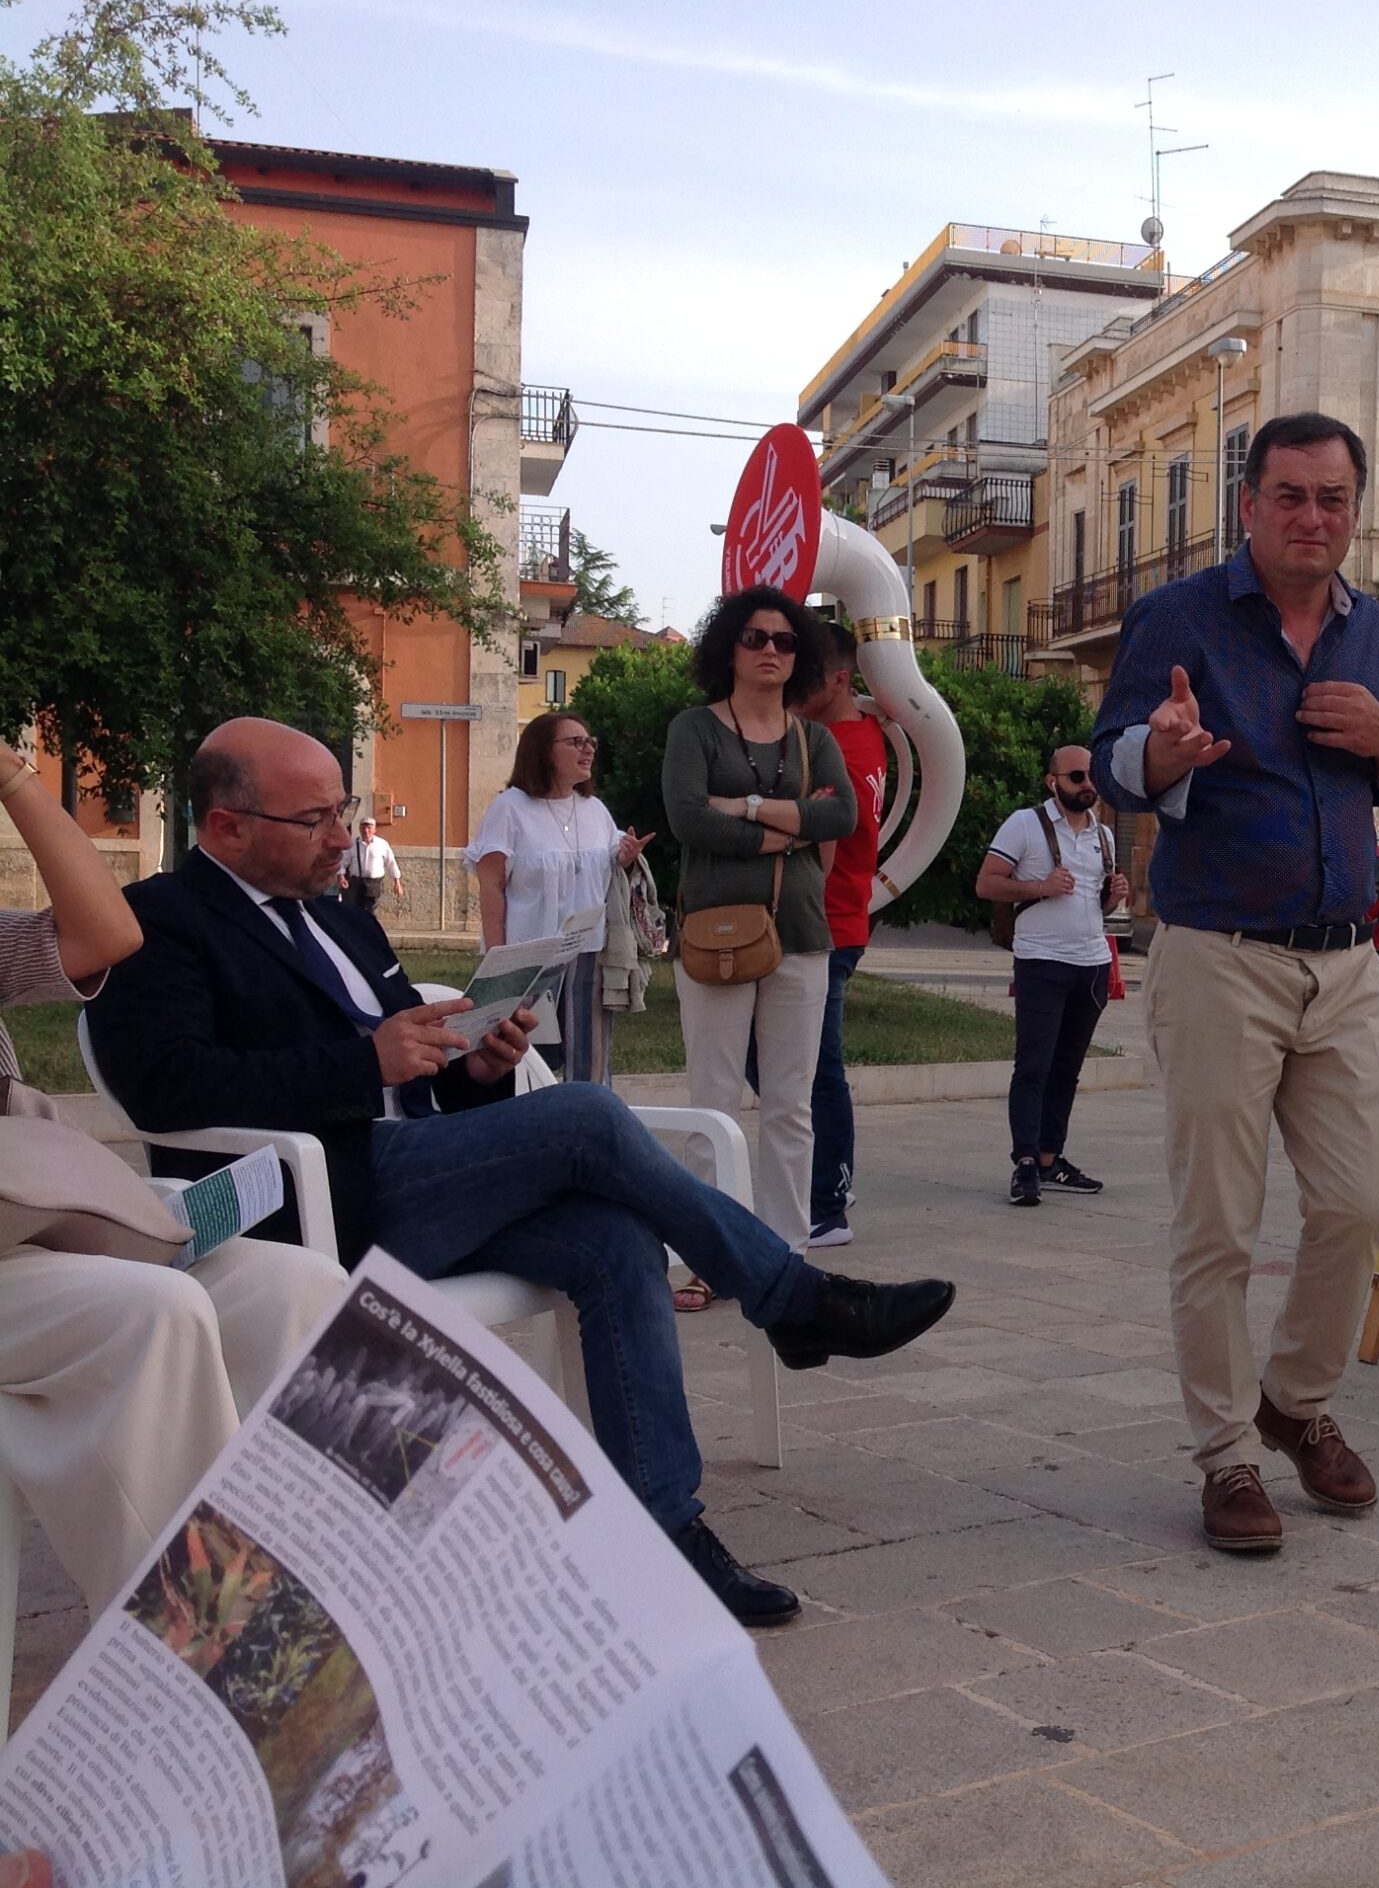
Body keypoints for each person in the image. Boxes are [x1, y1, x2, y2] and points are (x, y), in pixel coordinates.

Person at [85, 718, 956, 1626]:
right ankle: (794, 1301)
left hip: (415, 1178)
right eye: (315, 820)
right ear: (226, 827)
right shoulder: (159, 923)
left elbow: (419, 1075)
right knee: (585, 1114)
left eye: (342, 810)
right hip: (305, 1207)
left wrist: (475, 1068)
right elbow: (166, 1088)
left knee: (617, 1239)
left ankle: (666, 1531)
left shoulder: (344, 919)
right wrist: (362, 1066)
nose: (344, 835)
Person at [1091, 411, 1379, 1554]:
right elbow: (1112, 763)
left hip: (1347, 962)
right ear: (1248, 506)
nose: (1312, 518)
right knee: (1218, 1227)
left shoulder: (1374, 633)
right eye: (1290, 496)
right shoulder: (1177, 619)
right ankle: (1228, 1456)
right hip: (1218, 958)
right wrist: (1163, 750)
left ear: (1353, 509)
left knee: (1358, 1204)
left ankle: (1294, 1400)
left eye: (1332, 498)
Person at [0, 735, 345, 1617]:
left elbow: (106, 932)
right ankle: (217, 1660)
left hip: (32, 1223)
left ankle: (335, 1595)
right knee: (154, 1314)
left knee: (291, 1281)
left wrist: (14, 777)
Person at [662, 586, 856, 1259]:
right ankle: (709, 1255)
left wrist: (740, 809)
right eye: (755, 638)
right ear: (729, 649)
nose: (771, 650)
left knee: (790, 1108)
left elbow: (842, 817)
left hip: (802, 935)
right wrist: (786, 824)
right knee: (712, 1104)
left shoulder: (816, 740)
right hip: (715, 933)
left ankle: (784, 1255)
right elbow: (688, 818)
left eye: (785, 640)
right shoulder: (695, 728)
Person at [976, 745, 1129, 1207]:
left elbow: (1093, 905)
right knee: (1034, 1065)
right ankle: (1024, 1163)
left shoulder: (1103, 835)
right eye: (1078, 776)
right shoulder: (1025, 824)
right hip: (1041, 960)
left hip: (1091, 962)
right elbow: (986, 883)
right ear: (1053, 781)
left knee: (1067, 1069)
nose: (1088, 785)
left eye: (1092, 776)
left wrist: (1113, 896)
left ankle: (1049, 1157)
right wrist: (1041, 887)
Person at [465, 711, 651, 1085]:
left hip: (587, 955)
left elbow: (607, 863)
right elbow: (491, 887)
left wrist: (626, 856)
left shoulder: (594, 810)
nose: (588, 749)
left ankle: (588, 1128)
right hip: (528, 958)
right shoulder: (510, 808)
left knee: (590, 1061)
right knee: (525, 1059)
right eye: (576, 742)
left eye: (590, 742)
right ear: (543, 751)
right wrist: (498, 962)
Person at [796, 622, 889, 1248]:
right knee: (804, 1065)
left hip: (824, 924)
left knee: (812, 1068)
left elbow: (821, 840)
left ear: (837, 679)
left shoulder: (838, 749)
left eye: (806, 677)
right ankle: (836, 1176)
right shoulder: (866, 735)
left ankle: (827, 1204)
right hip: (840, 920)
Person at [337, 816, 404, 916]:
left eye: (369, 828)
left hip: (374, 884)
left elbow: (391, 863)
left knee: (371, 912)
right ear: (359, 829)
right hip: (356, 883)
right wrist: (341, 877)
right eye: (363, 828)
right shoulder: (352, 844)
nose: (366, 831)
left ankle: (368, 929)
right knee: (355, 911)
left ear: (374, 830)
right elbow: (343, 862)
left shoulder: (381, 844)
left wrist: (397, 883)